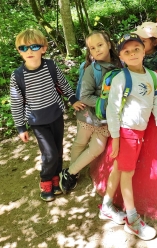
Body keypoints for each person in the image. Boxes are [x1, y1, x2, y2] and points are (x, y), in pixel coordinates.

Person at [99, 33, 157, 240]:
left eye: (136, 49)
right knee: (126, 173)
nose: (132, 53)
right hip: (126, 132)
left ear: (144, 50)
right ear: (121, 57)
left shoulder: (153, 77)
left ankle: (106, 207)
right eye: (126, 51)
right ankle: (132, 220)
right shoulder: (121, 78)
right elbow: (112, 110)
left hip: (139, 132)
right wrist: (117, 139)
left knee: (119, 169)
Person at [10, 29, 85, 202]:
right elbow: (16, 102)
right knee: (49, 153)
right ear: (19, 51)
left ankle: (56, 176)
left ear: (43, 48)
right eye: (23, 48)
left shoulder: (50, 66)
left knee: (58, 150)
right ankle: (45, 180)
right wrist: (21, 127)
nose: (28, 51)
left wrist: (72, 98)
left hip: (56, 115)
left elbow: (63, 83)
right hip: (37, 121)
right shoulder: (18, 76)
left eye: (34, 46)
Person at [59, 30, 123, 193]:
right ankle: (73, 173)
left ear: (109, 44)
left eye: (100, 45)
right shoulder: (91, 69)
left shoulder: (121, 64)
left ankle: (69, 172)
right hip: (87, 116)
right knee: (80, 143)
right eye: (92, 48)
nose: (97, 50)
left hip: (106, 119)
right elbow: (84, 96)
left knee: (97, 148)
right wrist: (107, 103)